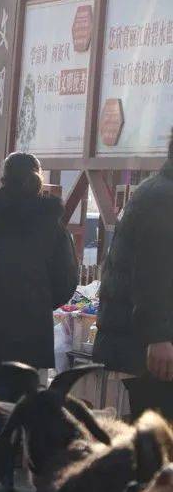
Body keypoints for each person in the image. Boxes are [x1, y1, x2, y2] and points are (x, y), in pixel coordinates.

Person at [0, 152, 78, 433]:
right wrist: (42, 300)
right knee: (25, 404)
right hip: (32, 330)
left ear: (3, 178)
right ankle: (16, 461)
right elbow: (67, 280)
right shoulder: (52, 224)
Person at [94, 130, 173, 420]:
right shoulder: (163, 198)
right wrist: (159, 337)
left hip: (149, 347)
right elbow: (154, 274)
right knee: (158, 446)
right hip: (154, 352)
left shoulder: (159, 191)